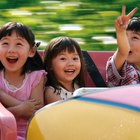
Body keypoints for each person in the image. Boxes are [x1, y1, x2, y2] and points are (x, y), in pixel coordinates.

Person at [0, 22, 47, 140]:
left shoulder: (36, 77)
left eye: (18, 44)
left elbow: (35, 110)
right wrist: (21, 109)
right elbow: (27, 108)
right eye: (5, 43)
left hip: (31, 133)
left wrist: (2, 95)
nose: (11, 50)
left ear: (31, 51)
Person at [44, 36, 85, 104]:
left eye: (75, 58)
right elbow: (64, 113)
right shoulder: (51, 92)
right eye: (63, 59)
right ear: (50, 65)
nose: (70, 64)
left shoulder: (78, 87)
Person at [106, 6, 140, 87]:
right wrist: (121, 32)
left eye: (135, 37)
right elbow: (123, 52)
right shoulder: (122, 66)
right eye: (125, 37)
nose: (127, 42)